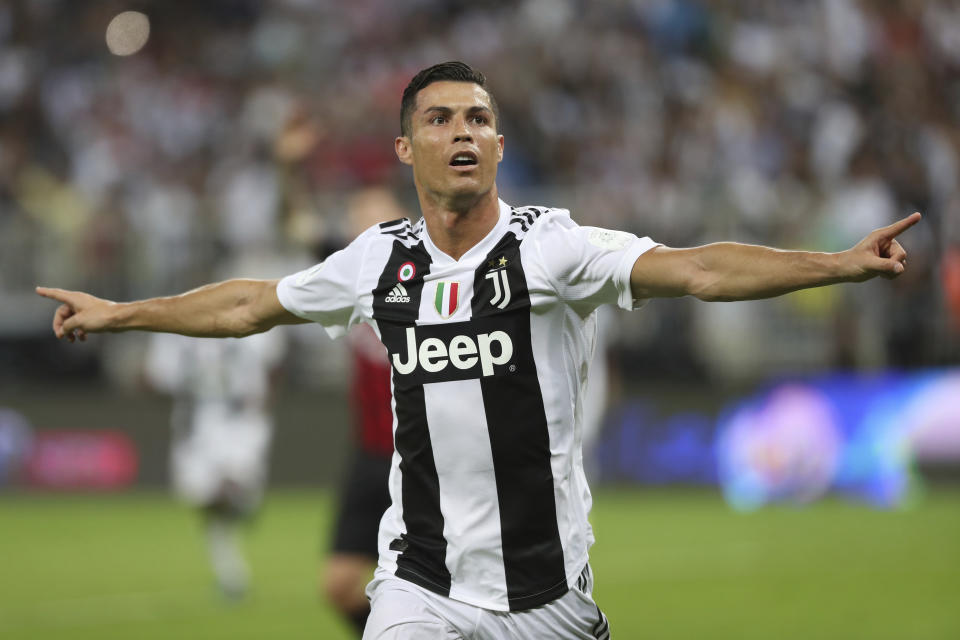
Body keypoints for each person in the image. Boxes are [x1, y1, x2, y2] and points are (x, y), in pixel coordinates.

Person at [37, 61, 919, 639]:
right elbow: (249, 305)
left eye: (478, 119)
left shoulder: (554, 247)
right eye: (440, 118)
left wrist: (837, 263)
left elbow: (696, 270)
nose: (462, 132)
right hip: (418, 587)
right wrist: (118, 313)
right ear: (405, 146)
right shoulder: (377, 258)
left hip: (546, 598)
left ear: (498, 143)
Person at [143, 327, 286, 600]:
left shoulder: (178, 329)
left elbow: (154, 379)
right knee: (205, 504)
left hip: (239, 420)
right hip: (198, 425)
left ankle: (240, 501)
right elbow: (157, 379)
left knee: (226, 494)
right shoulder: (175, 329)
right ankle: (233, 576)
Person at [321, 188, 401, 635]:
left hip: (419, 460)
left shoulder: (430, 278)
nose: (365, 230)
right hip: (369, 456)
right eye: (357, 222)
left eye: (376, 220)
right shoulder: (346, 280)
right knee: (339, 585)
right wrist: (288, 169)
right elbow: (299, 227)